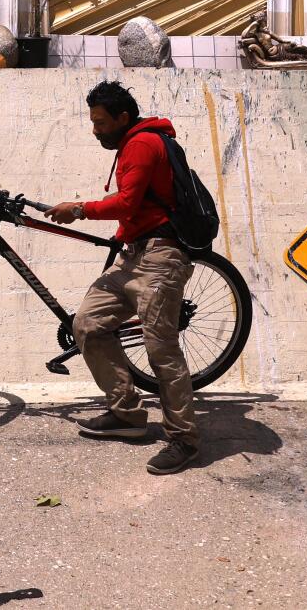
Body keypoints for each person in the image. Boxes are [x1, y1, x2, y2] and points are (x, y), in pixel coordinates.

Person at [46, 80, 198, 474]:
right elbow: (138, 206)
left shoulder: (143, 144)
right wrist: (121, 235)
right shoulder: (132, 143)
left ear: (122, 119)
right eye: (93, 121)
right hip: (134, 253)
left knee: (161, 350)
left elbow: (129, 200)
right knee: (88, 325)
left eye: (100, 122)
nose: (94, 129)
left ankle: (183, 438)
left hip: (161, 257)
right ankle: (127, 414)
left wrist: (79, 209)